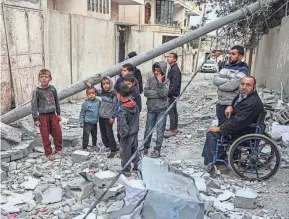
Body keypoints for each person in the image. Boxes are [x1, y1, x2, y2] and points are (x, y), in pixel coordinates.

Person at [202, 76, 263, 165]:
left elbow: (238, 122)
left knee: (212, 134)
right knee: (215, 129)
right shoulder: (245, 96)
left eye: (248, 85)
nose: (244, 87)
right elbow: (238, 107)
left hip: (244, 132)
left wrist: (220, 129)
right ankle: (212, 160)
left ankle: (218, 164)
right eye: (242, 84)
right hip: (243, 127)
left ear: (254, 87)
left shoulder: (252, 102)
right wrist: (231, 106)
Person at [31, 69, 64, 161]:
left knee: (57, 133)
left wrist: (59, 113)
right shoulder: (36, 91)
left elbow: (56, 101)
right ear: (39, 79)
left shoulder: (52, 88)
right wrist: (35, 119)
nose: (44, 79)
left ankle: (58, 148)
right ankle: (48, 152)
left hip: (53, 115)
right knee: (45, 135)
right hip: (43, 116)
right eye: (41, 77)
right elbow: (33, 105)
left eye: (46, 77)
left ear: (50, 78)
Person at [213, 45, 249, 125]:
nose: (230, 56)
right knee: (220, 127)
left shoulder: (243, 69)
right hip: (220, 104)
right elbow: (215, 79)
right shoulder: (226, 66)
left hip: (231, 105)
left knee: (228, 129)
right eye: (230, 53)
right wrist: (228, 80)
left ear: (240, 56)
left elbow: (231, 86)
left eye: (233, 54)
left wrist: (219, 85)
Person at [84, 77, 118, 158]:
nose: (105, 86)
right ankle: (108, 146)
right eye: (103, 84)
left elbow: (116, 106)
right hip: (101, 117)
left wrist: (113, 117)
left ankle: (113, 149)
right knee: (103, 133)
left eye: (107, 83)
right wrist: (90, 85)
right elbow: (95, 91)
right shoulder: (102, 92)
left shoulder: (113, 94)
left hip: (109, 117)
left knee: (109, 133)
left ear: (110, 83)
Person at [143, 61, 170, 158]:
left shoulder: (166, 81)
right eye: (155, 70)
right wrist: (157, 94)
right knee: (148, 129)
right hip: (151, 108)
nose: (156, 72)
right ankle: (145, 147)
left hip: (162, 109)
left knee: (160, 130)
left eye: (158, 70)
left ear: (162, 70)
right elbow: (146, 92)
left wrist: (159, 83)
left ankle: (157, 149)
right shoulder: (150, 79)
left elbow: (163, 94)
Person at [115, 83, 140, 177]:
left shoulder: (122, 109)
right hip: (135, 133)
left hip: (127, 136)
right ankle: (137, 166)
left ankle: (126, 170)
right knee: (135, 151)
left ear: (119, 95)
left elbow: (123, 126)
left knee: (126, 153)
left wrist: (122, 135)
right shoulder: (134, 105)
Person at [165, 52, 182, 137]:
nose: (168, 58)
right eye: (168, 57)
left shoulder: (175, 69)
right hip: (173, 93)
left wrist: (168, 94)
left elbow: (174, 84)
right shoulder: (172, 68)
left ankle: (172, 129)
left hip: (173, 94)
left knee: (171, 111)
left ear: (174, 59)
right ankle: (174, 127)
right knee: (174, 110)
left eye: (170, 57)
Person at [79, 87, 101, 151]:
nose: (91, 95)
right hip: (87, 123)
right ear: (87, 95)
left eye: (93, 93)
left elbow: (100, 110)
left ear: (96, 94)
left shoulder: (98, 102)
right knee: (86, 136)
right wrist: (81, 122)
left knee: (94, 135)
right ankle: (85, 147)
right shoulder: (85, 103)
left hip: (94, 123)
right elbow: (82, 113)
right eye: (89, 94)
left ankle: (94, 145)